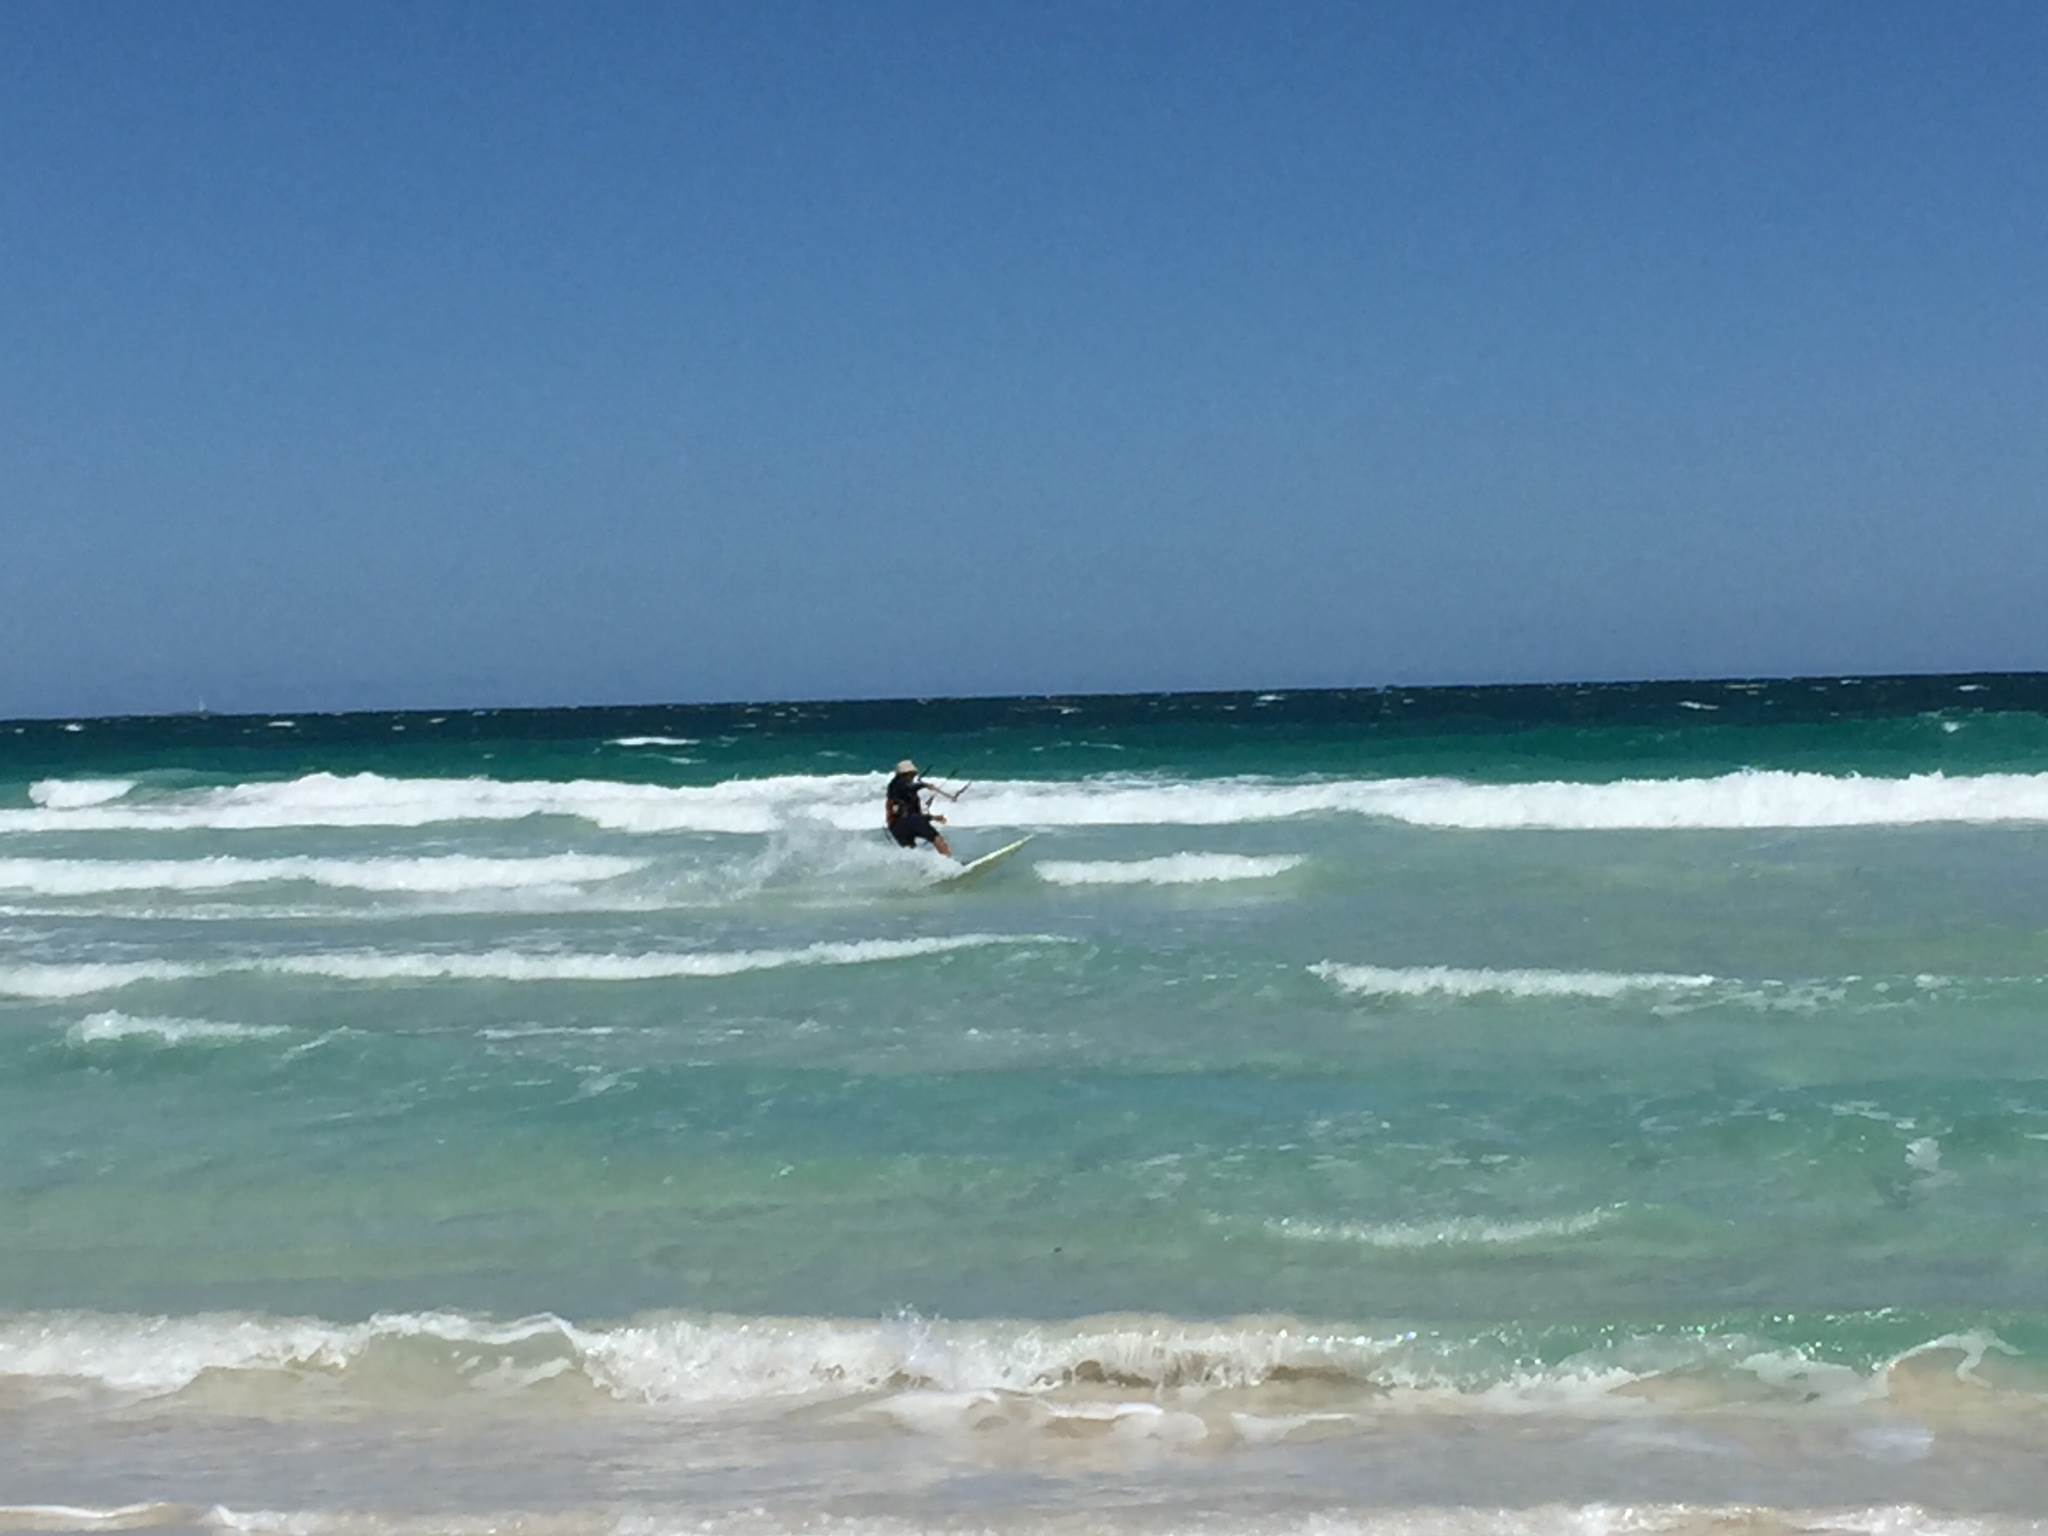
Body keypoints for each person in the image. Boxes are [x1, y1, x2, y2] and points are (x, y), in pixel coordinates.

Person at [884, 759, 956, 857]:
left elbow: (914, 814)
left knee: (911, 852)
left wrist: (933, 817)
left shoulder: (899, 790)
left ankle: (917, 866)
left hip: (896, 827)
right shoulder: (897, 784)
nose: (913, 777)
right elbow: (907, 788)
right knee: (936, 838)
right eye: (912, 774)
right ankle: (948, 860)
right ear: (905, 774)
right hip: (907, 822)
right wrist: (923, 785)